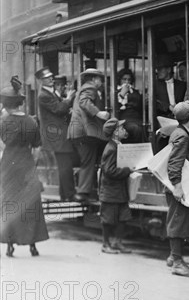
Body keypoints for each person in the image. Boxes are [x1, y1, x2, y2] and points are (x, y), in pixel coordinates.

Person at [1, 76, 49, 257]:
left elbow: (2, 144)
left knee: (9, 203)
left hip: (8, 165)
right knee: (31, 204)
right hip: (27, 163)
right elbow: (37, 147)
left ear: (5, 104)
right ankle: (32, 245)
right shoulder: (31, 121)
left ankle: (10, 245)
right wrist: (32, 163)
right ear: (20, 103)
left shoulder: (3, 122)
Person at [165, 101, 189, 277]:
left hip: (182, 184)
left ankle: (174, 257)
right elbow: (174, 163)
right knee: (178, 222)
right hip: (179, 186)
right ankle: (177, 263)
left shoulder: (181, 132)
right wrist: (177, 186)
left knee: (180, 220)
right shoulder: (182, 136)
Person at [67, 68, 111, 201]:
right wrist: (99, 113)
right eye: (100, 79)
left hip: (79, 132)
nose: (101, 82)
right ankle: (83, 192)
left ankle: (87, 190)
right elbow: (84, 102)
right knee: (88, 161)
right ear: (93, 79)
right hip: (85, 132)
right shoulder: (90, 88)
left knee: (87, 160)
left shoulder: (84, 88)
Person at [36, 68, 76, 201]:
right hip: (57, 136)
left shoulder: (50, 93)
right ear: (41, 81)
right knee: (66, 164)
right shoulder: (44, 95)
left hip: (58, 134)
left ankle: (65, 194)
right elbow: (59, 109)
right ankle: (69, 194)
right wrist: (69, 98)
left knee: (64, 164)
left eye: (51, 77)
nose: (51, 79)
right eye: (47, 78)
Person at [99, 118, 133, 254]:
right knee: (108, 219)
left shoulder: (117, 146)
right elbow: (109, 171)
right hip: (111, 191)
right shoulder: (111, 148)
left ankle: (117, 242)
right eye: (122, 128)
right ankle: (105, 244)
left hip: (118, 190)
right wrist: (127, 170)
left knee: (123, 217)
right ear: (115, 133)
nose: (125, 130)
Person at [115, 68, 144, 142]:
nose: (127, 82)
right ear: (119, 80)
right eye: (124, 79)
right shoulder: (116, 92)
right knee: (136, 128)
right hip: (124, 119)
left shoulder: (136, 92)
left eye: (129, 79)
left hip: (137, 118)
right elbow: (115, 108)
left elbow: (140, 106)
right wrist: (122, 94)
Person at [155, 54, 187, 121]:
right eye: (157, 69)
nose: (158, 72)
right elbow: (149, 101)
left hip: (180, 118)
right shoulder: (155, 85)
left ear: (169, 70)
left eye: (160, 69)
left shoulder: (182, 85)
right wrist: (168, 107)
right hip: (162, 118)